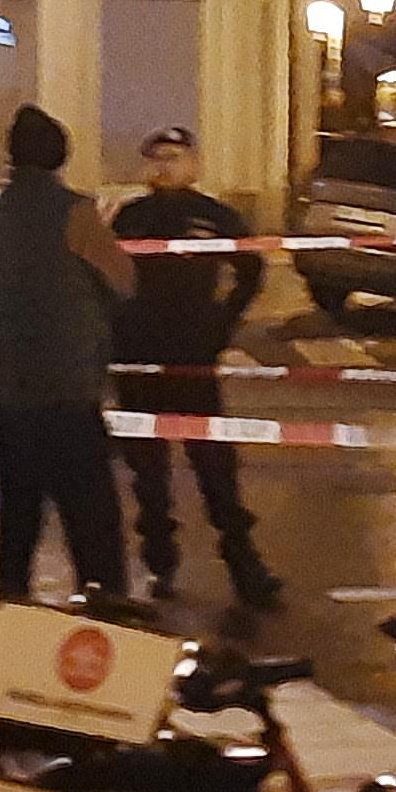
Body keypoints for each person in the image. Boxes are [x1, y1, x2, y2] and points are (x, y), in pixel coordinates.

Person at [109, 124, 283, 611]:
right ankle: (158, 554)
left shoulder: (215, 216)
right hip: (137, 358)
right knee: (146, 467)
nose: (165, 166)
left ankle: (243, 562)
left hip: (192, 358)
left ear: (193, 164)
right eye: (156, 157)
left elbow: (251, 271)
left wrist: (220, 325)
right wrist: (116, 330)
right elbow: (103, 276)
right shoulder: (129, 218)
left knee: (213, 464)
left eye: (174, 157)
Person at [0, 102, 135, 601]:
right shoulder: (76, 212)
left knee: (18, 514)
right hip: (66, 385)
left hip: (8, 388)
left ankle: (12, 611)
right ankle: (106, 616)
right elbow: (123, 281)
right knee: (90, 515)